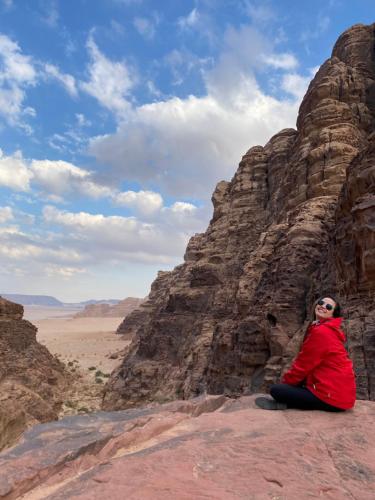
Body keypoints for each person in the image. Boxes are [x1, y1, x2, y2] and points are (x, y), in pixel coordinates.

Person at [255, 296, 356, 411]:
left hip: (333, 398)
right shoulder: (327, 329)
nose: (323, 306)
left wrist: (287, 384)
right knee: (295, 386)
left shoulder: (322, 332)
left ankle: (286, 404)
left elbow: (304, 364)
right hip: (341, 396)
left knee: (277, 390)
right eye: (321, 302)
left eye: (328, 307)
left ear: (333, 314)